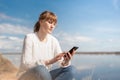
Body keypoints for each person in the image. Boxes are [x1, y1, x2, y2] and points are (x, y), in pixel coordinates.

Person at [17, 10, 76, 80]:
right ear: (41, 22)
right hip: (27, 75)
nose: (52, 26)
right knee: (41, 69)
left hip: (44, 75)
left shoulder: (54, 41)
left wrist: (66, 61)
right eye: (50, 23)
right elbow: (25, 64)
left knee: (71, 69)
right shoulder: (30, 38)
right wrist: (49, 62)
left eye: (54, 24)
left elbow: (61, 64)